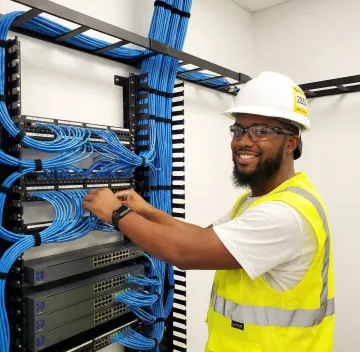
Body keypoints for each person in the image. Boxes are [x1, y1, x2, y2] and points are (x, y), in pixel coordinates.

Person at [83, 71, 334, 352]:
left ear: (291, 142)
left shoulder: (285, 214)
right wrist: (147, 211)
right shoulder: (255, 201)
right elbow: (201, 238)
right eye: (238, 129)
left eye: (262, 130)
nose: (243, 141)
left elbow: (186, 253)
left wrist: (117, 215)